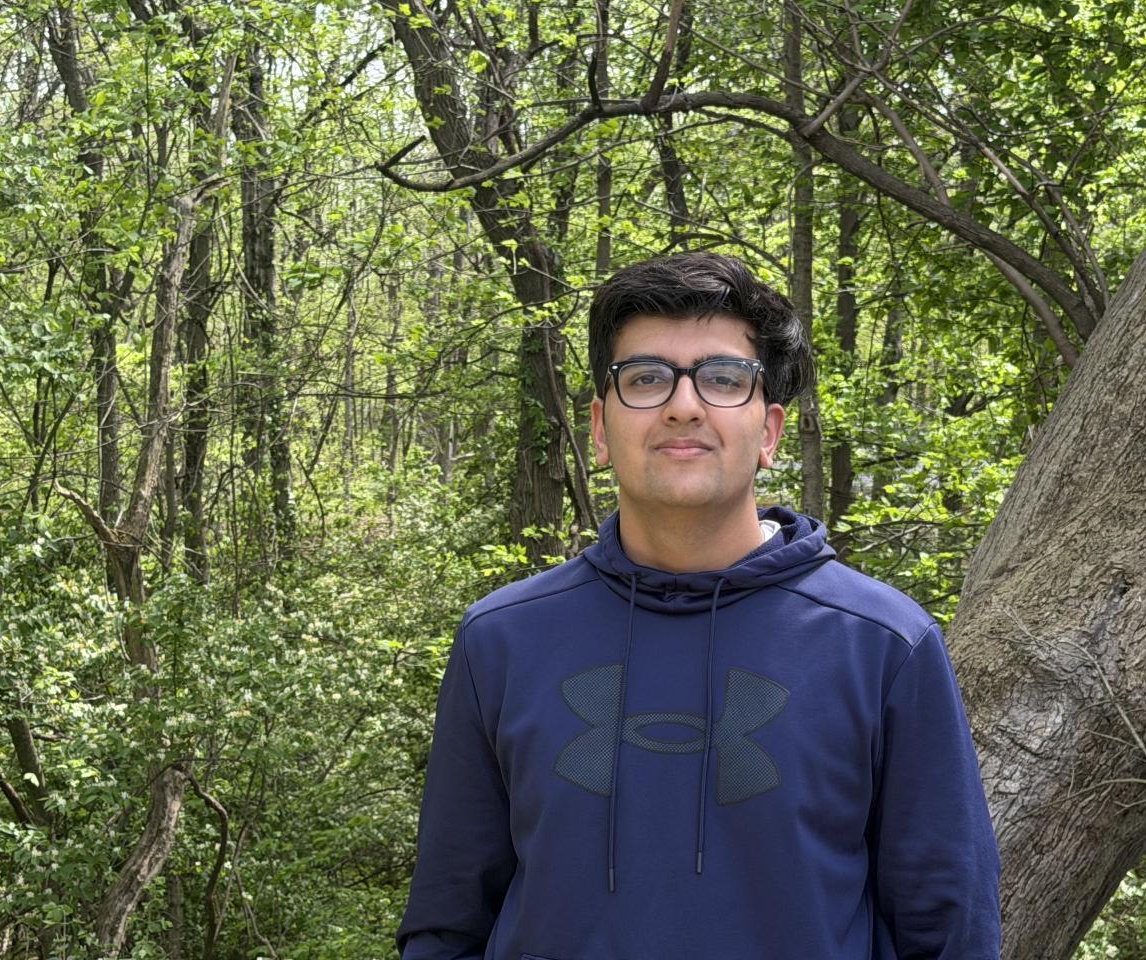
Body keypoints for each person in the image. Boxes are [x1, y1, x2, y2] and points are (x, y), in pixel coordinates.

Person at [395, 252, 1001, 960]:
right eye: (646, 378)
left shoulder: (883, 645)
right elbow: (447, 925)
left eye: (722, 379)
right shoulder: (502, 641)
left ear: (769, 432)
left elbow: (950, 932)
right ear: (600, 428)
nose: (683, 405)